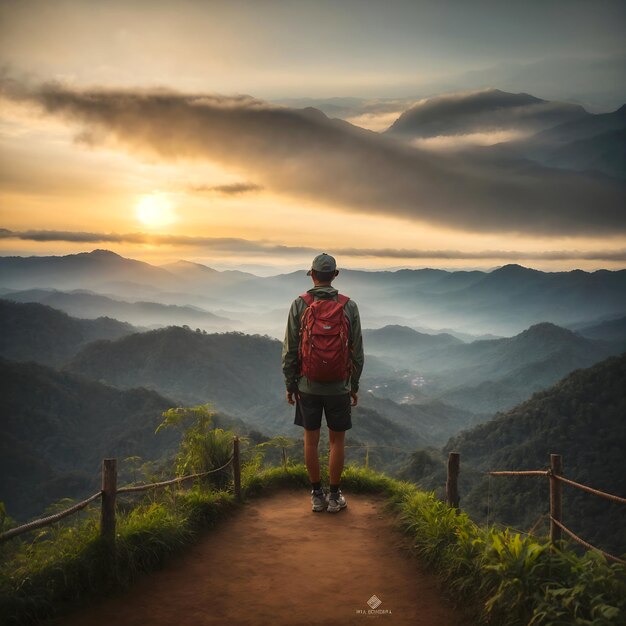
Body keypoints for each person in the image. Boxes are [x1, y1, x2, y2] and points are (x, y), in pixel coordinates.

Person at [281, 253, 364, 513]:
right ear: (335, 275)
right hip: (339, 386)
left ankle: (317, 495)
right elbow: (357, 352)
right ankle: (335, 497)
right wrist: (354, 385)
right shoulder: (349, 306)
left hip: (308, 385)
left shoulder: (300, 304)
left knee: (311, 440)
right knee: (337, 441)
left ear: (312, 274)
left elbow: (289, 350)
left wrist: (290, 384)